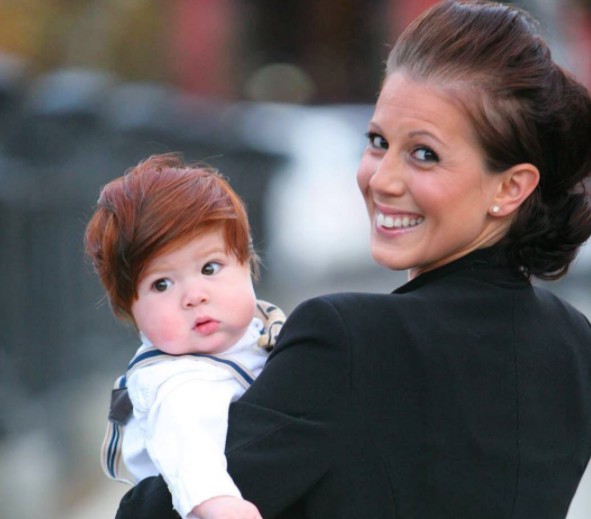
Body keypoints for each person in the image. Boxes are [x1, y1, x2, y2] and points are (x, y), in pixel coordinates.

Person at [115, 1, 591, 518]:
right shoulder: (575, 345)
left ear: (511, 186)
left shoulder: (346, 339)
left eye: (424, 154)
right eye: (379, 142)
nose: (382, 178)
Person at [85, 153, 286, 519]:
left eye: (210, 267)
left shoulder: (263, 328)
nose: (194, 295)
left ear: (247, 263)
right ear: (131, 309)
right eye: (162, 284)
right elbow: (188, 450)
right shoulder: (176, 382)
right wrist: (220, 505)